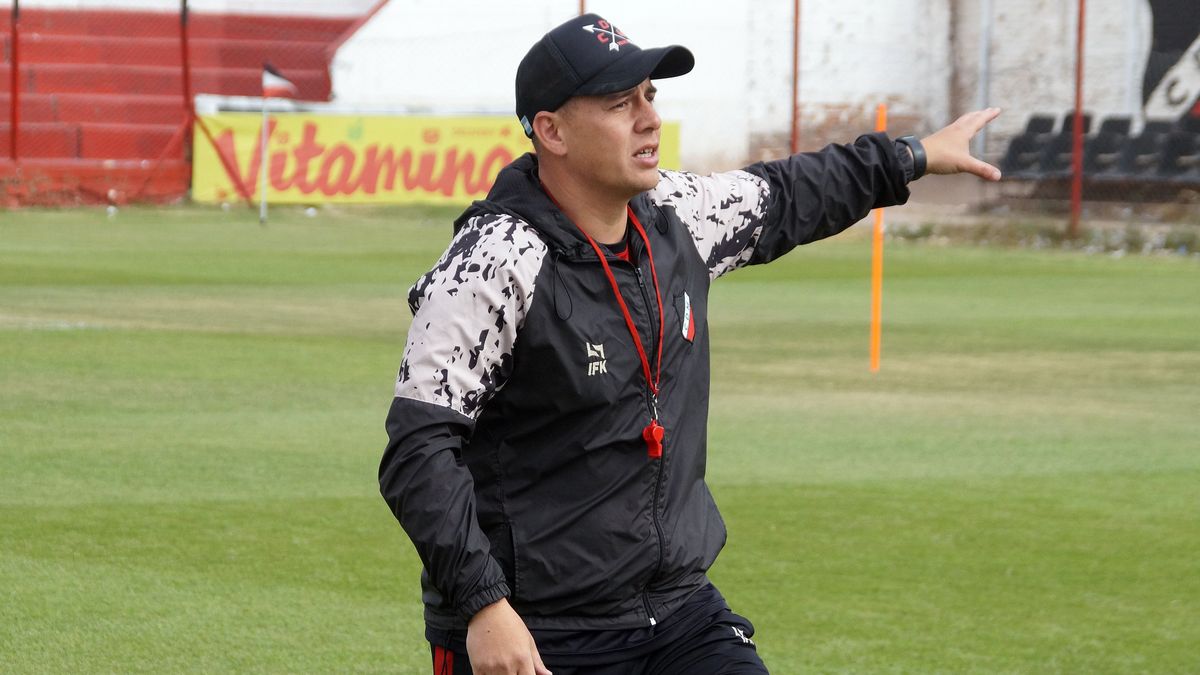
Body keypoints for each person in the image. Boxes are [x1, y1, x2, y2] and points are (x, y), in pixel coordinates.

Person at [379, 13, 1001, 675]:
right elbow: (418, 450)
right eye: (621, 104)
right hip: (537, 628)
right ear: (550, 130)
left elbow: (786, 194)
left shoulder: (677, 214)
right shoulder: (492, 261)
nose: (648, 119)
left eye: (650, 96)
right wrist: (483, 605)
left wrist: (912, 156)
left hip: (674, 608)